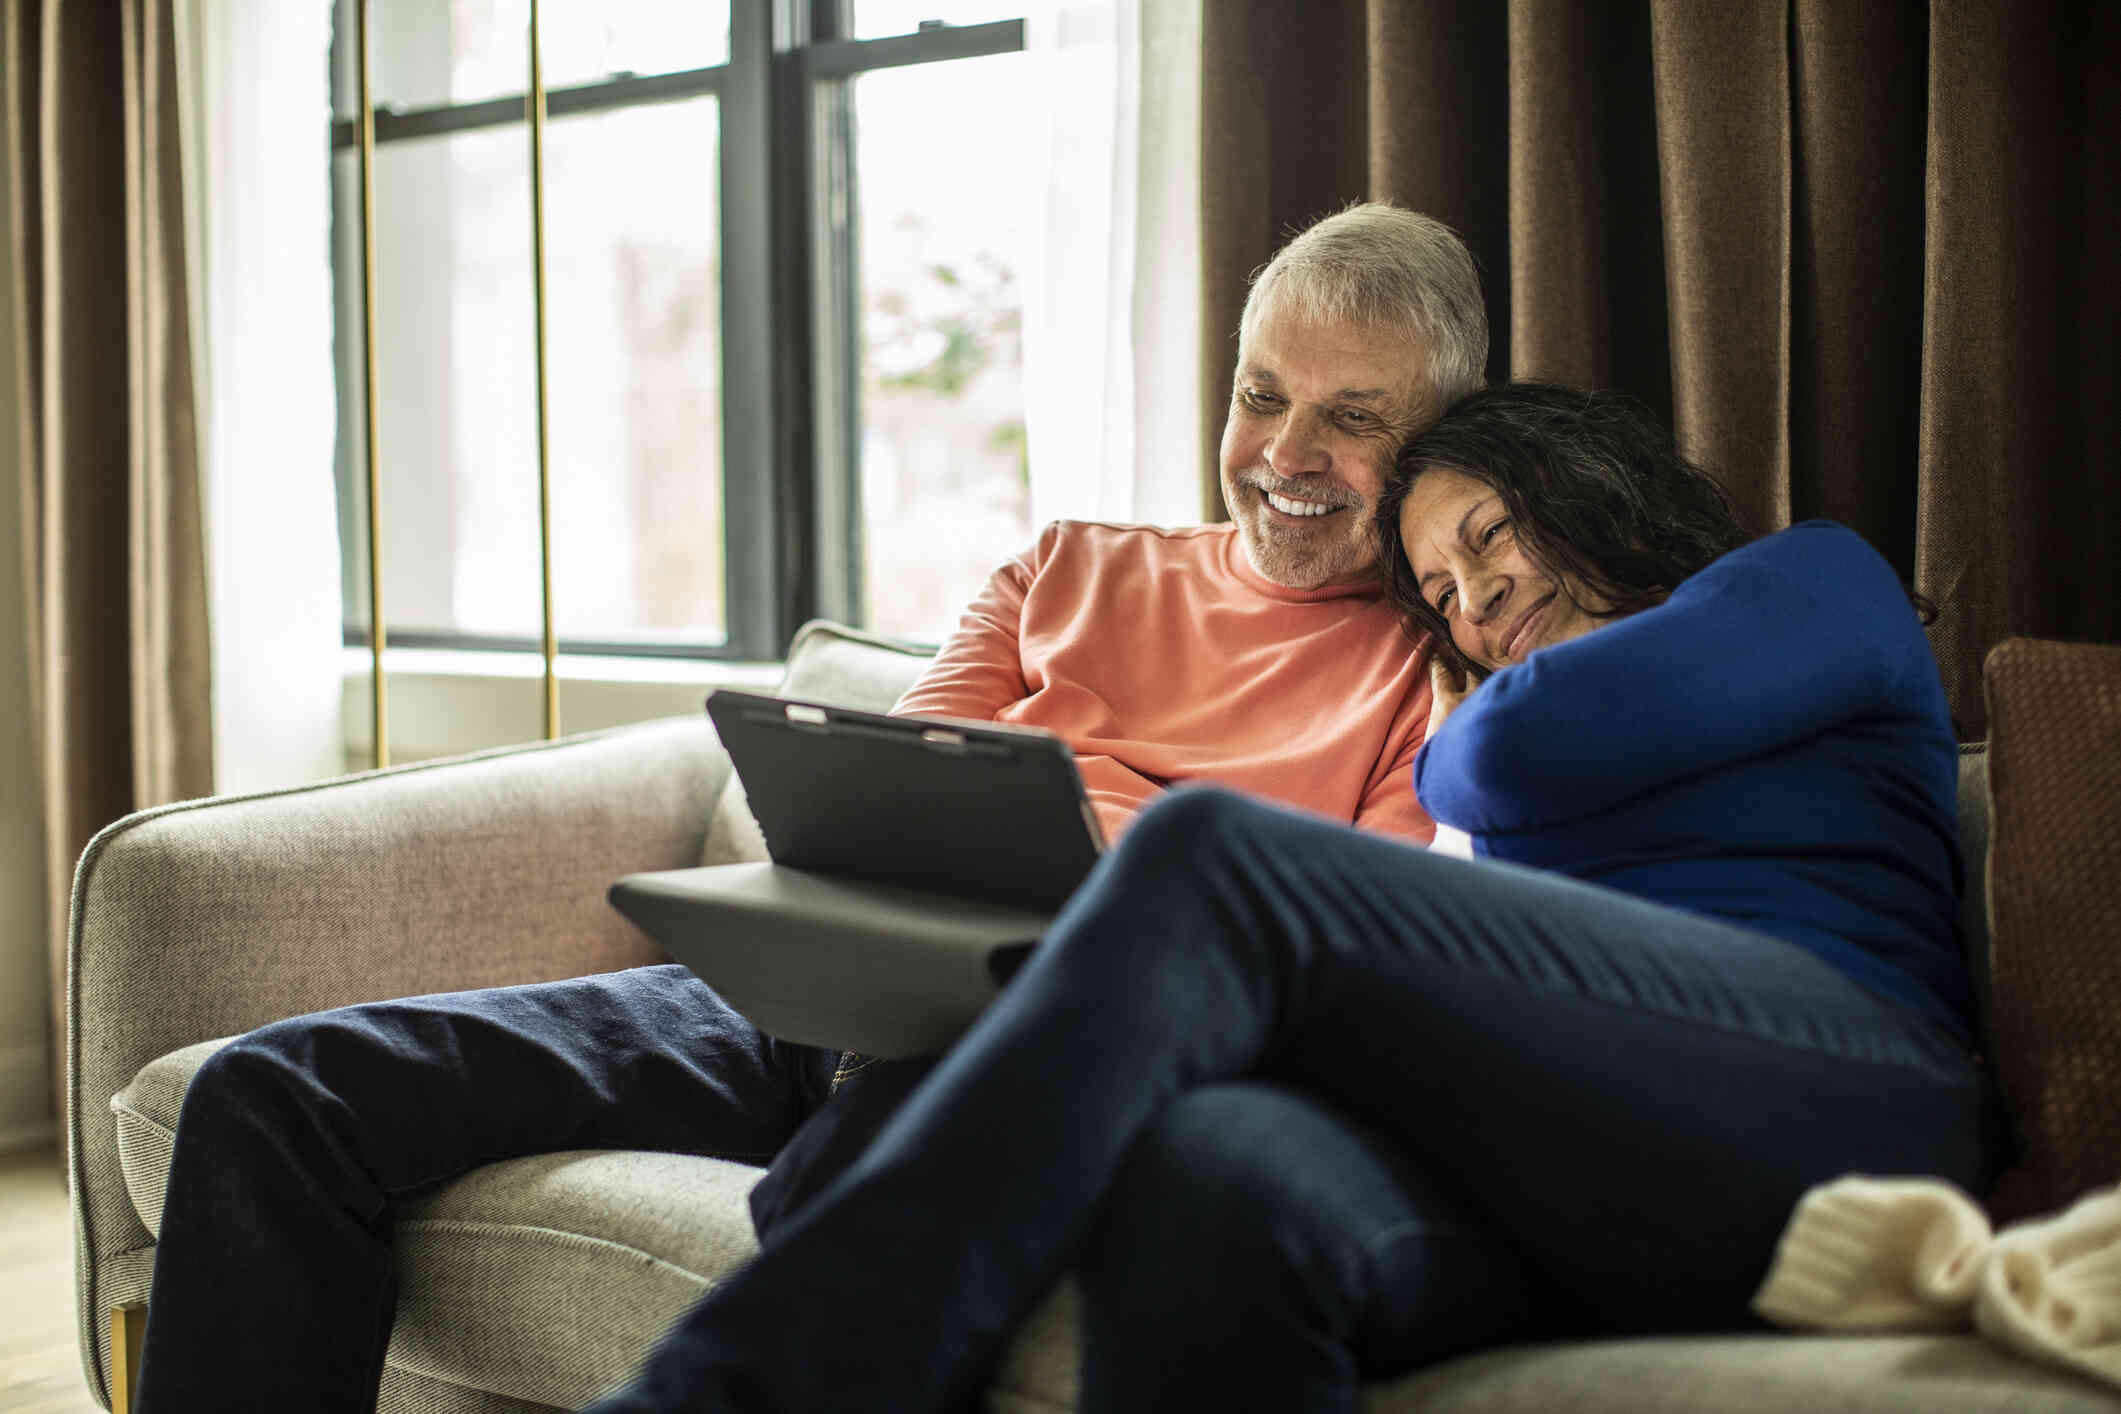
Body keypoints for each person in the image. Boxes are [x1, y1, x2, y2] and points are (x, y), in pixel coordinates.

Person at [130, 203, 1488, 1412]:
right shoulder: (1064, 567)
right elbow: (871, 804)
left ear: (1437, 438)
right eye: (1262, 394)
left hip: (1033, 1049)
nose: (1284, 452)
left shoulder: (1429, 672)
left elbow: (1321, 967)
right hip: (802, 992)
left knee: (827, 1219)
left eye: (1352, 418)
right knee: (269, 1097)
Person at [578, 383, 2002, 1413]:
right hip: (1613, 1181)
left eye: (1492, 534)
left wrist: (1461, 735)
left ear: (1592, 484)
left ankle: (755, 1383)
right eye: (1438, 588)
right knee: (1222, 1166)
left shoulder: (1811, 580)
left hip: (1847, 1091)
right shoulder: (1497, 764)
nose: (1474, 599)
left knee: (1213, 850)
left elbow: (1522, 742)